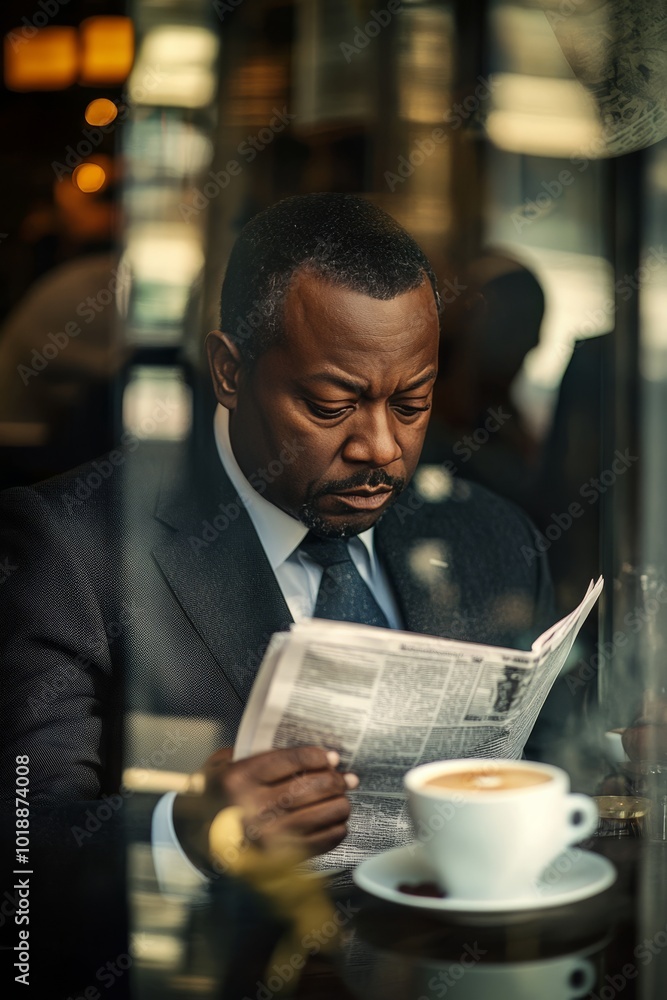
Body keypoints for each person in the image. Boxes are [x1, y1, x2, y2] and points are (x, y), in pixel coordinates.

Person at [0, 193, 554, 880]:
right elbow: (24, 854)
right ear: (230, 373)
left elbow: (555, 779)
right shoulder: (72, 551)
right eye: (329, 405)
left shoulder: (492, 540)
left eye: (412, 403)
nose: (381, 448)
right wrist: (181, 836)